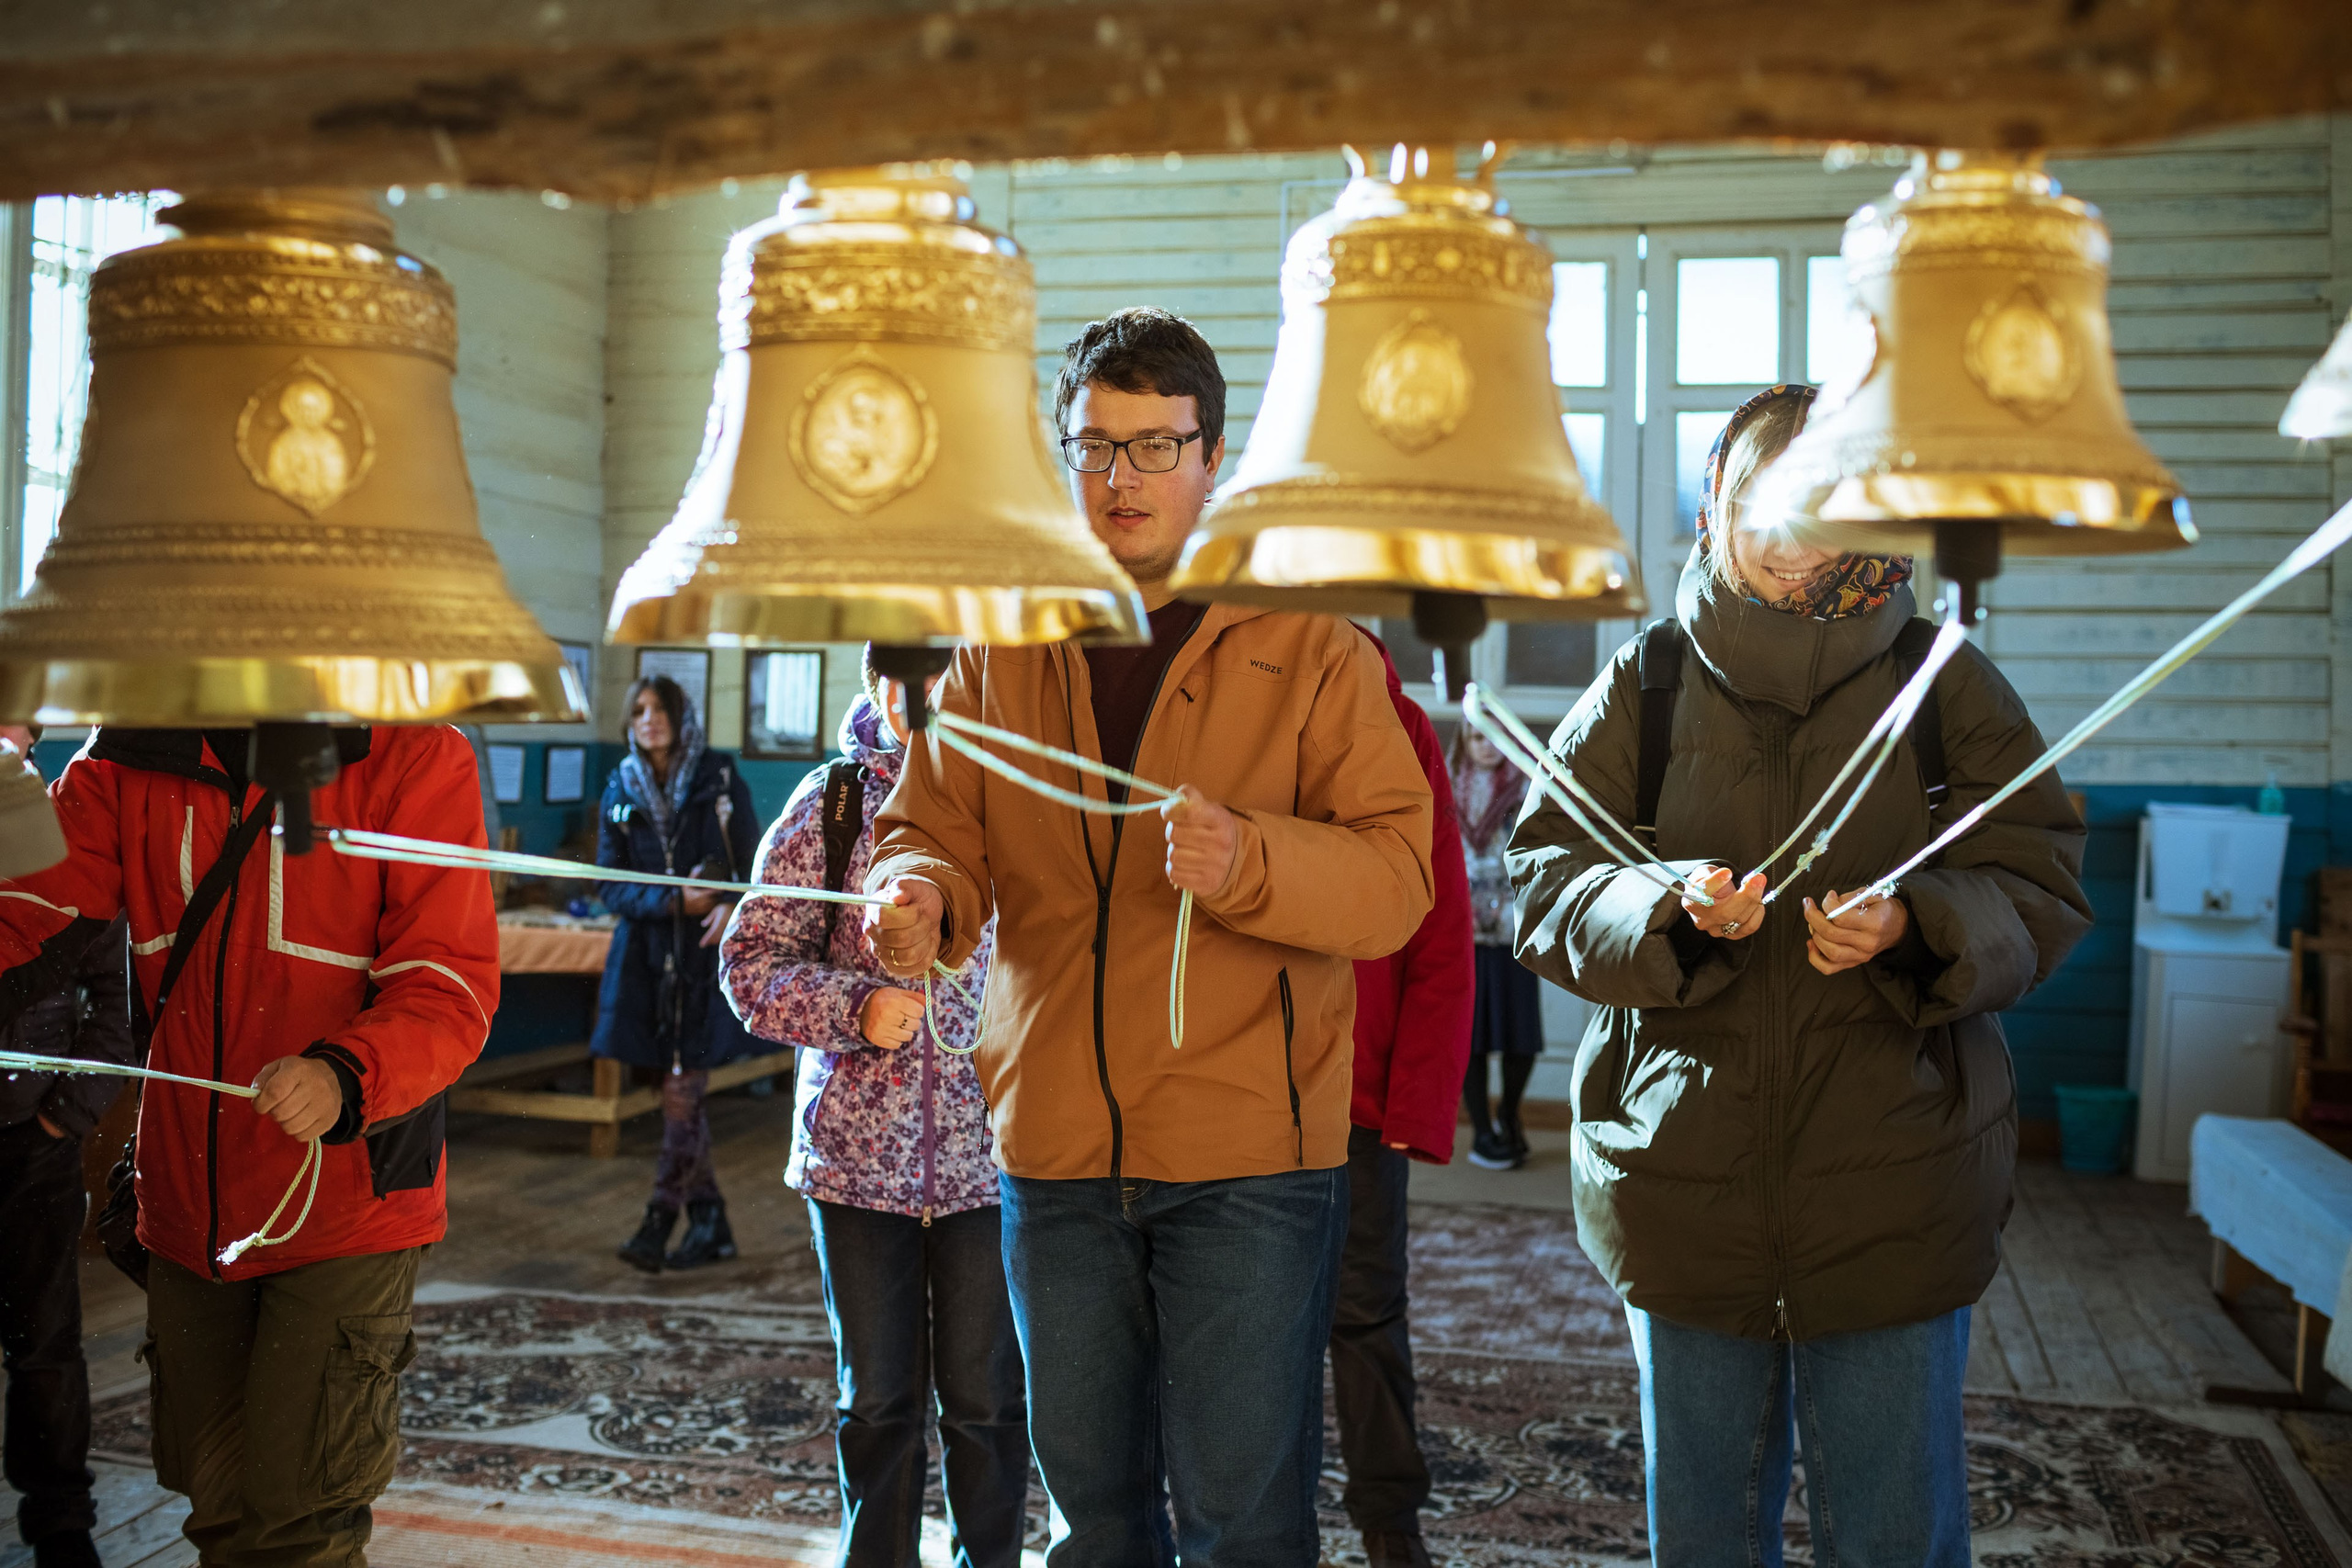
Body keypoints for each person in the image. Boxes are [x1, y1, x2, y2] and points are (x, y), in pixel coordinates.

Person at [864, 306, 1436, 1567]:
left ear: (1210, 456)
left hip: (1250, 1154)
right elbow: (929, 825)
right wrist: (917, 904)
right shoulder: (997, 642)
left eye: (1153, 446)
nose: (1120, 478)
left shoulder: (1313, 635)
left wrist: (1255, 859)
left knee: (1243, 1523)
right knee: (1094, 1526)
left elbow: (1401, 880)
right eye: (1094, 446)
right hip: (1054, 1150)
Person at [1508, 384, 2091, 1568]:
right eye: (1760, 508)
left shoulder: (1945, 682)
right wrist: (1657, 908)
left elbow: (2040, 883)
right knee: (1706, 1540)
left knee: (1891, 1537)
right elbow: (1540, 880)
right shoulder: (1646, 684)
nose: (1785, 544)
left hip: (1895, 1183)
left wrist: (1918, 924)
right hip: (1682, 1177)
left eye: (1819, 507)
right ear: (1716, 505)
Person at [0, 722, 498, 1568]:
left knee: (298, 1525)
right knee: (219, 1515)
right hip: (187, 1199)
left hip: (347, 1192)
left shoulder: (412, 752)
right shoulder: (126, 752)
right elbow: (29, 909)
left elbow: (449, 982)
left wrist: (347, 1073)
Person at [720, 653, 1023, 1568]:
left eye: (941, 679)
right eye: (902, 680)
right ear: (874, 680)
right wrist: (853, 1011)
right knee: (879, 1402)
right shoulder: (835, 803)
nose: (922, 702)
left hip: (994, 1165)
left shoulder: (1011, 802)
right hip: (853, 1169)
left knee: (985, 1405)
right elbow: (749, 966)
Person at [1329, 637, 1474, 1568]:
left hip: (1357, 1099)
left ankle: (1391, 1524)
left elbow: (1443, 929)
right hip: (1229, 1090)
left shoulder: (1401, 726)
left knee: (1366, 1314)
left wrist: (1412, 1107)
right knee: (1234, 1330)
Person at [0, 728, 131, 1568]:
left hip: (32, 1146)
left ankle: (61, 1524)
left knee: (45, 1344)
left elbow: (114, 1016)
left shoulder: (68, 855)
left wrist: (59, 1120)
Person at [595, 675, 759, 1273]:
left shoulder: (717, 776)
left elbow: (752, 863)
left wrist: (724, 904)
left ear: (681, 715)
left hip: (703, 959)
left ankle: (660, 1214)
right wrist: (671, 903)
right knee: (678, 1090)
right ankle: (710, 1218)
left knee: (681, 1089)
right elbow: (609, 882)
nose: (650, 719)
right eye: (638, 709)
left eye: (660, 707)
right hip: (646, 962)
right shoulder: (619, 784)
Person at [1451, 727, 1544, 1169]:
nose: (1486, 746)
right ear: (1464, 745)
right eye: (1476, 738)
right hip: (1463, 929)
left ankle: (1509, 1114)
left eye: (1494, 737)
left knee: (1520, 1036)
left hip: (1514, 926)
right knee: (1472, 1038)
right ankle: (1483, 1131)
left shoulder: (1528, 785)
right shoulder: (1447, 786)